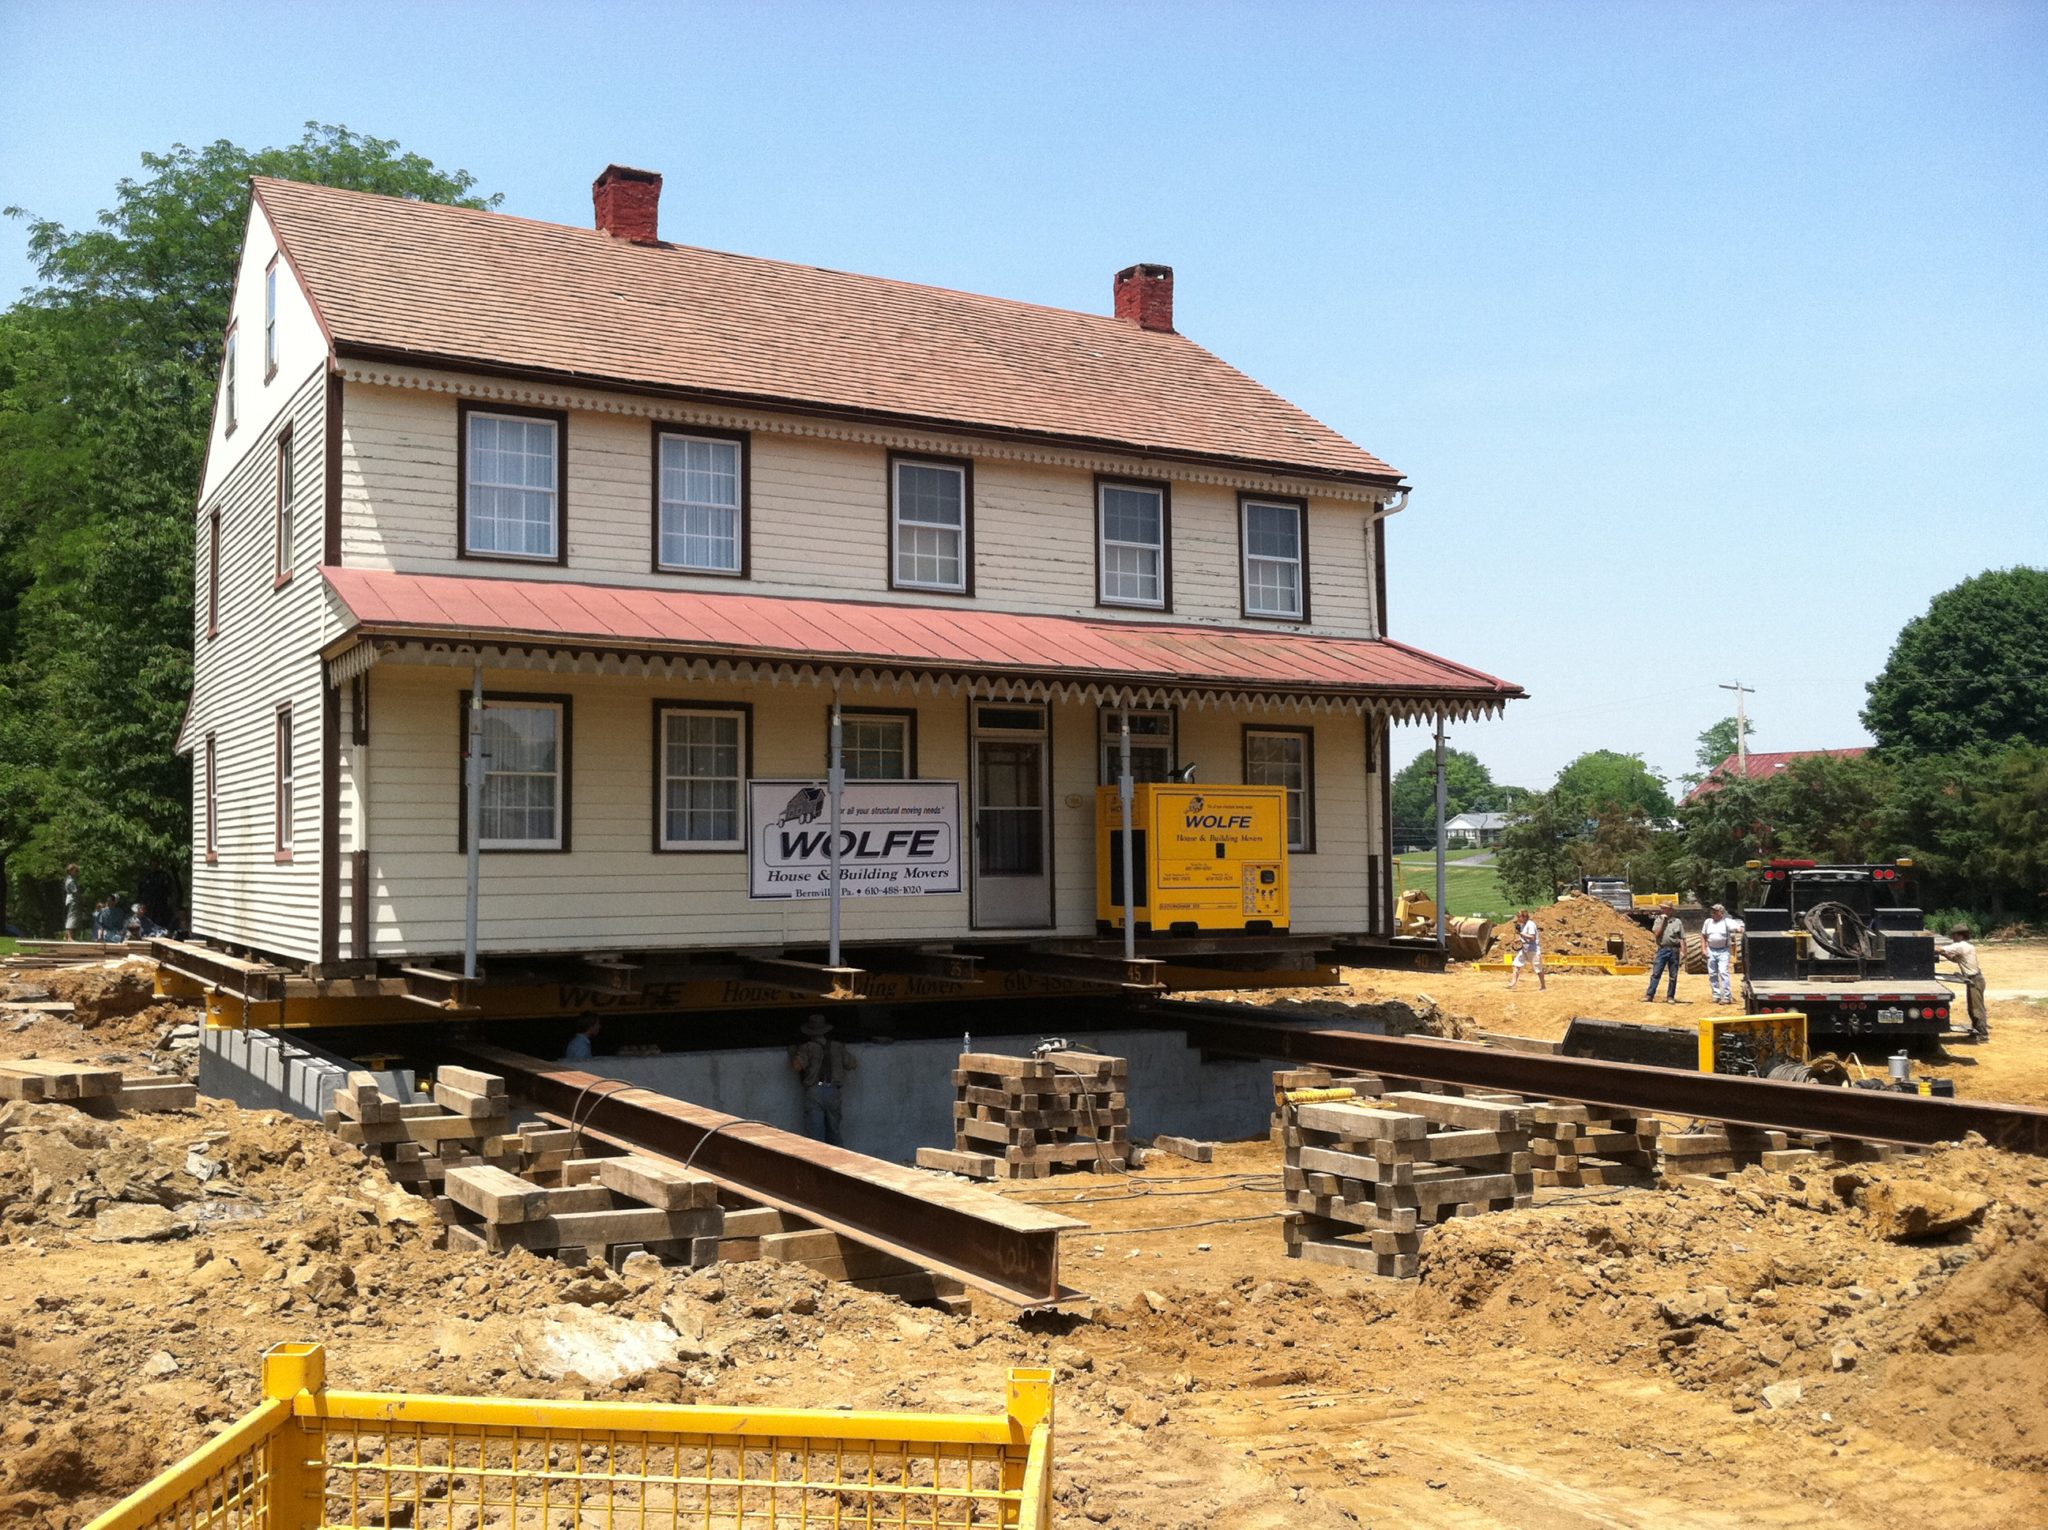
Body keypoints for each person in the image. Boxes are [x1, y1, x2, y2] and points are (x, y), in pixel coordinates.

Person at [790, 1013, 857, 1145]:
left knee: (816, 1136)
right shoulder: (837, 1046)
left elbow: (797, 1066)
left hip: (815, 1092)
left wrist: (793, 1053)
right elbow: (853, 1064)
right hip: (833, 1091)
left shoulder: (807, 1047)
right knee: (834, 1133)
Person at [1935, 924, 1989, 1042]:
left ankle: (1982, 1034)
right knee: (1973, 1007)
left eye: (1953, 935)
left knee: (1976, 1008)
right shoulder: (1968, 946)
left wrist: (1924, 945)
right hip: (1975, 979)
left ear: (1959, 935)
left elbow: (1940, 949)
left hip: (1975, 979)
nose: (1952, 938)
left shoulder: (1960, 946)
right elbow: (1955, 959)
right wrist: (1944, 954)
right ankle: (1977, 1031)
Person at [1701, 903, 1740, 1005]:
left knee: (1723, 972)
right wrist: (1704, 949)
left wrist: (1740, 929)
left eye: (1715, 912)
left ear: (1721, 913)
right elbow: (1703, 936)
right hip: (1711, 950)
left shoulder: (1727, 922)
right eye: (1712, 911)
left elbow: (1739, 927)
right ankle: (1716, 995)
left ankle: (1727, 996)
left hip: (1723, 950)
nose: (1712, 913)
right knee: (1712, 973)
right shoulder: (1708, 922)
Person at [1643, 909, 1685, 1003]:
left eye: (1666, 909)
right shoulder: (1658, 920)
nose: (1664, 911)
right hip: (1662, 949)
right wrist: (1663, 921)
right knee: (1656, 973)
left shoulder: (1677, 922)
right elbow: (1657, 934)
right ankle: (1649, 995)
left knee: (1673, 975)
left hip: (1674, 950)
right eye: (1663, 909)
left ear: (1670, 910)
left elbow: (1682, 937)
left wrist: (1683, 951)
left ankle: (1670, 996)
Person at [1506, 909, 1546, 991]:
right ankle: (1513, 983)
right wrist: (1519, 939)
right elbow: (1525, 936)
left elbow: (1532, 937)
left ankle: (1543, 986)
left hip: (1533, 950)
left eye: (1519, 917)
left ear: (1524, 917)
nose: (1518, 919)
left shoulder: (1530, 924)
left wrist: (1521, 934)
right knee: (1516, 964)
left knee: (1538, 969)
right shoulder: (1523, 925)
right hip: (1524, 949)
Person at [62, 865, 84, 942]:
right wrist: (81, 897)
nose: (77, 872)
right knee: (72, 917)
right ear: (71, 871)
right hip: (73, 900)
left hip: (72, 900)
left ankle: (66, 936)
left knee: (72, 917)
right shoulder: (70, 881)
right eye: (75, 870)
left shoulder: (70, 879)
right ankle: (69, 937)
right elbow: (75, 892)